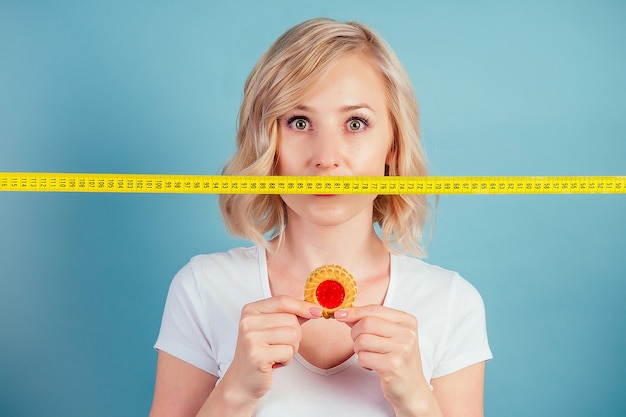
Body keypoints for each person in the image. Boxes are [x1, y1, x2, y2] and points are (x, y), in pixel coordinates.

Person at [149, 17, 492, 417]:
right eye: (299, 122)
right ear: (266, 143)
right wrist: (234, 394)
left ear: (393, 148)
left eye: (355, 123)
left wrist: (417, 400)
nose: (326, 158)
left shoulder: (452, 302)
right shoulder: (203, 289)